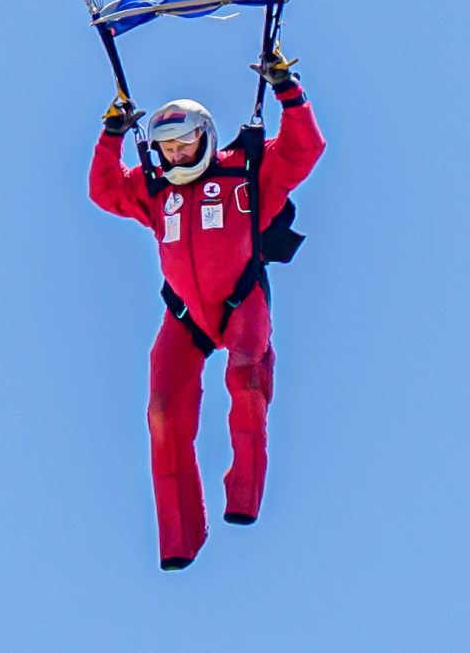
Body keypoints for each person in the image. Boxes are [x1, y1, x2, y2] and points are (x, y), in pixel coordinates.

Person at [91, 54, 323, 570]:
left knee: (247, 377)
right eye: (167, 147)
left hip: (242, 300)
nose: (176, 154)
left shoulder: (246, 172)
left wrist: (287, 90)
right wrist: (111, 135)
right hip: (185, 315)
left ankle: (244, 495)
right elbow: (104, 189)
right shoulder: (155, 190)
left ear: (206, 138)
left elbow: (304, 149)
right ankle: (179, 538)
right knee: (162, 412)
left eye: (185, 143)